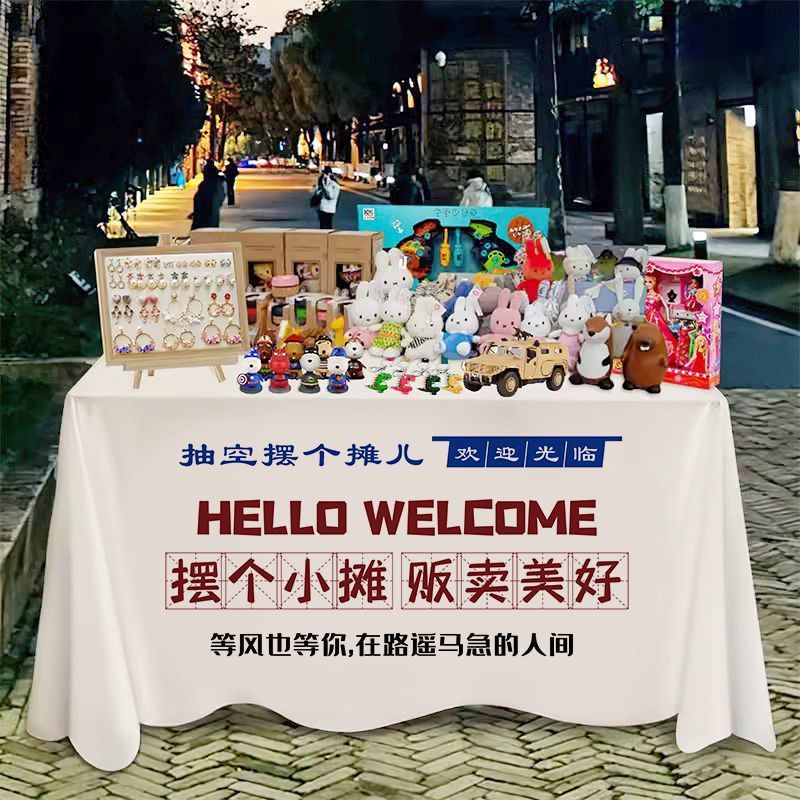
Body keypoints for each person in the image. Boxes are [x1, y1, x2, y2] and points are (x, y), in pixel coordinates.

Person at [190, 161, 225, 229]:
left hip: (204, 216)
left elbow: (200, 200)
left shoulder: (207, 185)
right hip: (210, 215)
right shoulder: (216, 184)